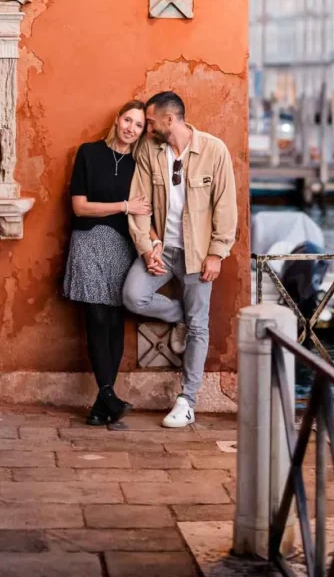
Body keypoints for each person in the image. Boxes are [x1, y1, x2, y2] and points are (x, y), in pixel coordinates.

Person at [123, 91, 237, 428]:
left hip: (198, 254)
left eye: (151, 121)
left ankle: (187, 401)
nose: (146, 128)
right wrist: (147, 246)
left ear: (169, 120)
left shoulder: (214, 151)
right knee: (132, 295)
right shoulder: (148, 150)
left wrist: (217, 253)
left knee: (200, 326)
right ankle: (181, 316)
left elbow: (226, 207)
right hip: (162, 250)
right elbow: (139, 202)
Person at [63, 101, 151, 426]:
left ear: (142, 131)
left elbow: (146, 210)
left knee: (115, 321)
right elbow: (80, 208)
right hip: (88, 241)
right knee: (97, 317)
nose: (131, 128)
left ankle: (103, 404)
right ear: (117, 120)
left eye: (138, 125)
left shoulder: (139, 166)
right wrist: (124, 205)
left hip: (121, 246)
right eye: (128, 120)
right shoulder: (88, 153)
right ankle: (109, 396)